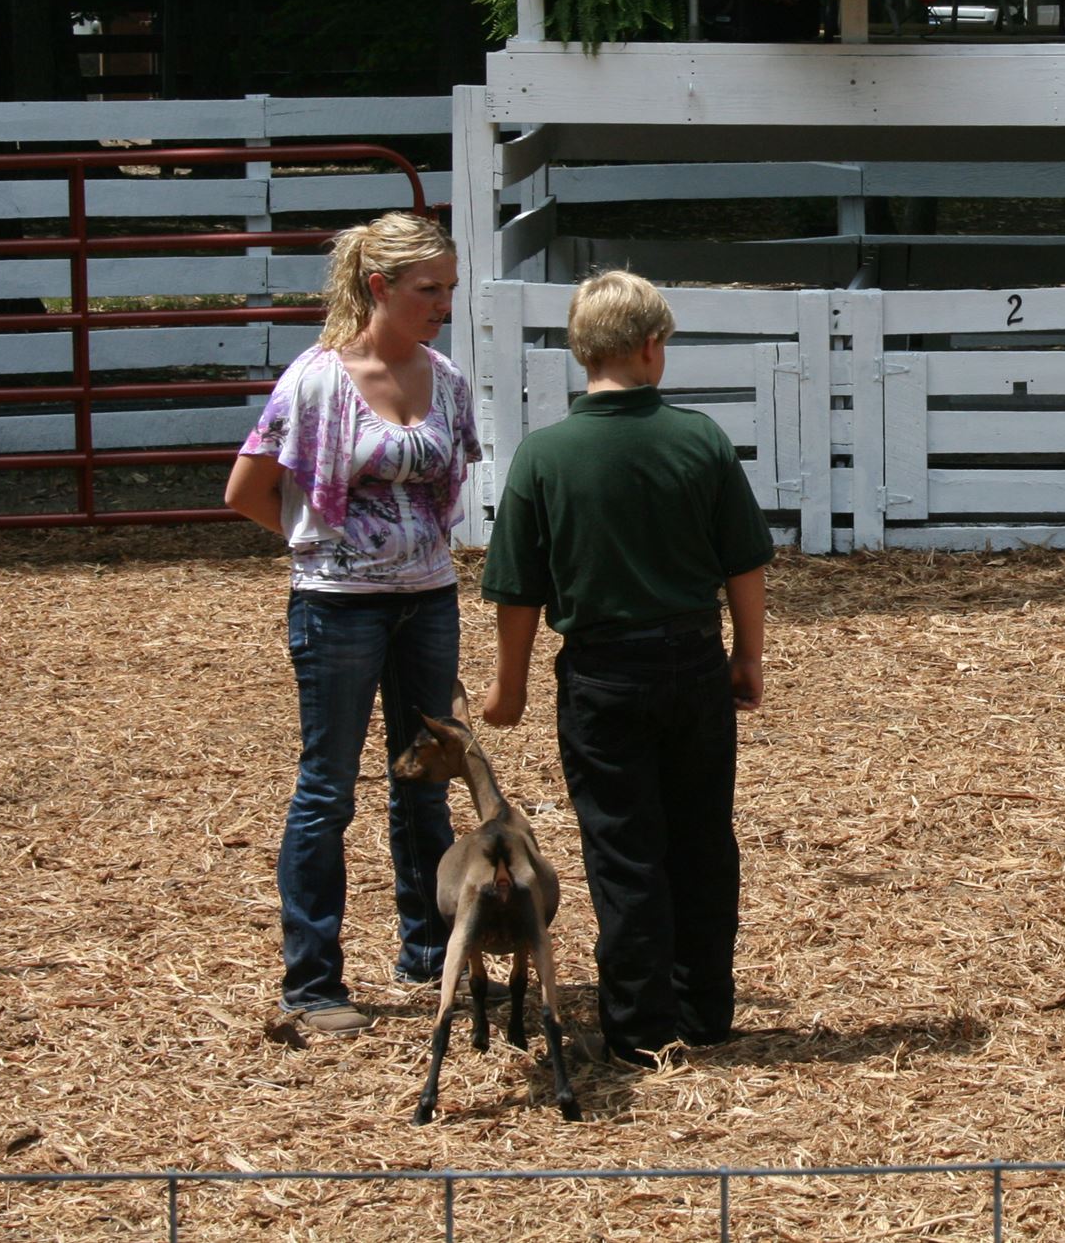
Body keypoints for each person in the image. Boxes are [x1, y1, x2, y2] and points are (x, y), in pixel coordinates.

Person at [477, 269, 773, 1063]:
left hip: (603, 672)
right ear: (651, 348)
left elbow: (518, 589)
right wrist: (746, 655)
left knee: (623, 843)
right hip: (691, 655)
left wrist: (509, 686)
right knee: (703, 838)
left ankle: (641, 1027)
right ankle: (706, 1006)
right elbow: (744, 562)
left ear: (583, 351)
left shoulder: (543, 455)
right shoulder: (699, 439)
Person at [226, 210, 476, 1037]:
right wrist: (324, 549)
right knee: (328, 790)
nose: (443, 302)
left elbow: (449, 485)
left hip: (429, 600)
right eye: (427, 288)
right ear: (380, 287)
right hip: (337, 609)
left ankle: (429, 949)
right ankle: (314, 979)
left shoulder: (443, 377)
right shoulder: (316, 379)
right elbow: (247, 491)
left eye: (447, 286)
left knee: (426, 781)